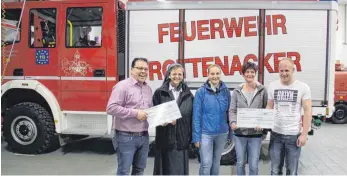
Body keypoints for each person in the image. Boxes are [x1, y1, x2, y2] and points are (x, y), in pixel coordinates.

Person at [106, 57, 153, 175]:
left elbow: (150, 111)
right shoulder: (122, 86)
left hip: (144, 137)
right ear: (132, 70)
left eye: (146, 69)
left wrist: (162, 118)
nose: (143, 71)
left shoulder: (148, 89)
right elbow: (111, 108)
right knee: (124, 171)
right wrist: (135, 113)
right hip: (125, 137)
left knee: (139, 170)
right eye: (140, 68)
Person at [267, 58, 312, 175]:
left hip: (293, 136)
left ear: (293, 70)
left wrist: (304, 134)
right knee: (275, 170)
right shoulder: (272, 86)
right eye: (281, 70)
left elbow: (308, 112)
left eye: (287, 70)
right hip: (276, 135)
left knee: (291, 172)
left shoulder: (303, 87)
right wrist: (261, 123)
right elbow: (269, 108)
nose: (283, 73)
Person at [152, 63, 194, 175]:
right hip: (165, 140)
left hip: (181, 140)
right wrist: (162, 121)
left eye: (180, 74)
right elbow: (153, 115)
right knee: (165, 170)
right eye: (174, 74)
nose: (177, 76)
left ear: (183, 76)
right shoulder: (159, 93)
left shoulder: (188, 94)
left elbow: (192, 116)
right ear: (169, 75)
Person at [229, 62, 268, 175]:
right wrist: (233, 122)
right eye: (247, 72)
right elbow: (232, 110)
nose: (249, 74)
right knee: (240, 163)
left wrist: (262, 124)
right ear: (243, 74)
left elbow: (266, 110)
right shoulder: (237, 91)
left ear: (255, 74)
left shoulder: (262, 90)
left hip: (255, 134)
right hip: (239, 133)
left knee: (254, 165)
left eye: (252, 72)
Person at [192, 64, 231, 175]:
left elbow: (229, 113)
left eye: (217, 73)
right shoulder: (201, 92)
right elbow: (196, 115)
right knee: (206, 163)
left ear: (221, 74)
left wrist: (230, 134)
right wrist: (196, 137)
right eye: (212, 74)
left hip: (222, 133)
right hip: (206, 134)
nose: (215, 76)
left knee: (216, 162)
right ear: (208, 75)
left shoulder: (226, 91)